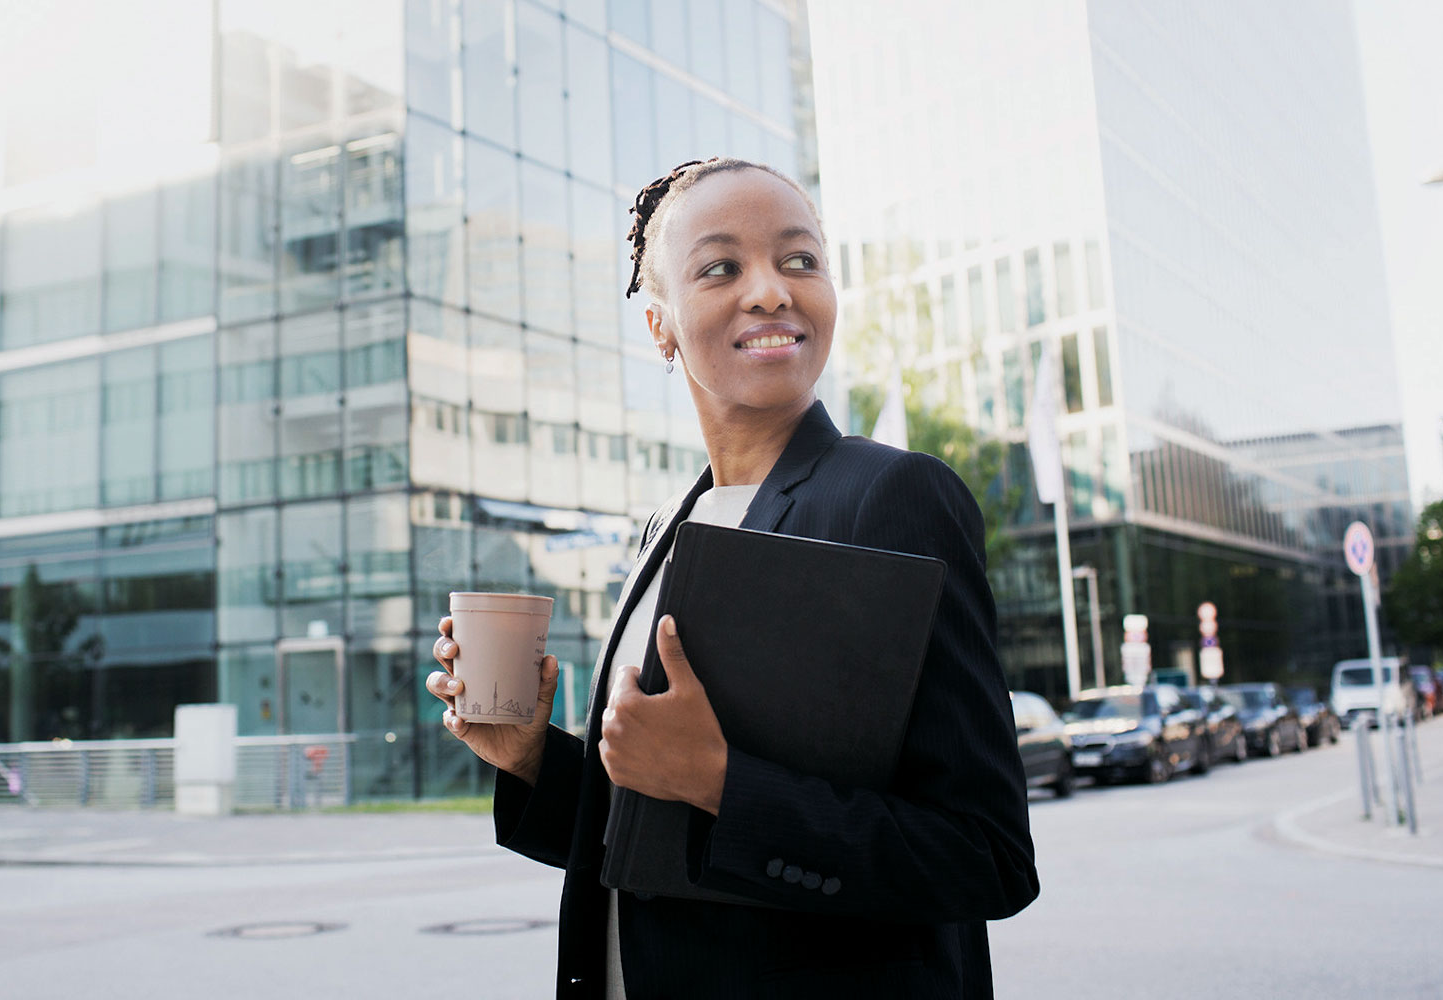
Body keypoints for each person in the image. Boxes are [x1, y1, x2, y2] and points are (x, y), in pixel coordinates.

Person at [425, 157, 1038, 998]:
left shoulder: (892, 496)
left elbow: (986, 857)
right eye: (720, 268)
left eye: (800, 260)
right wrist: (533, 756)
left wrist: (718, 780)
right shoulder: (663, 530)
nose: (770, 291)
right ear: (660, 325)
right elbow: (646, 839)